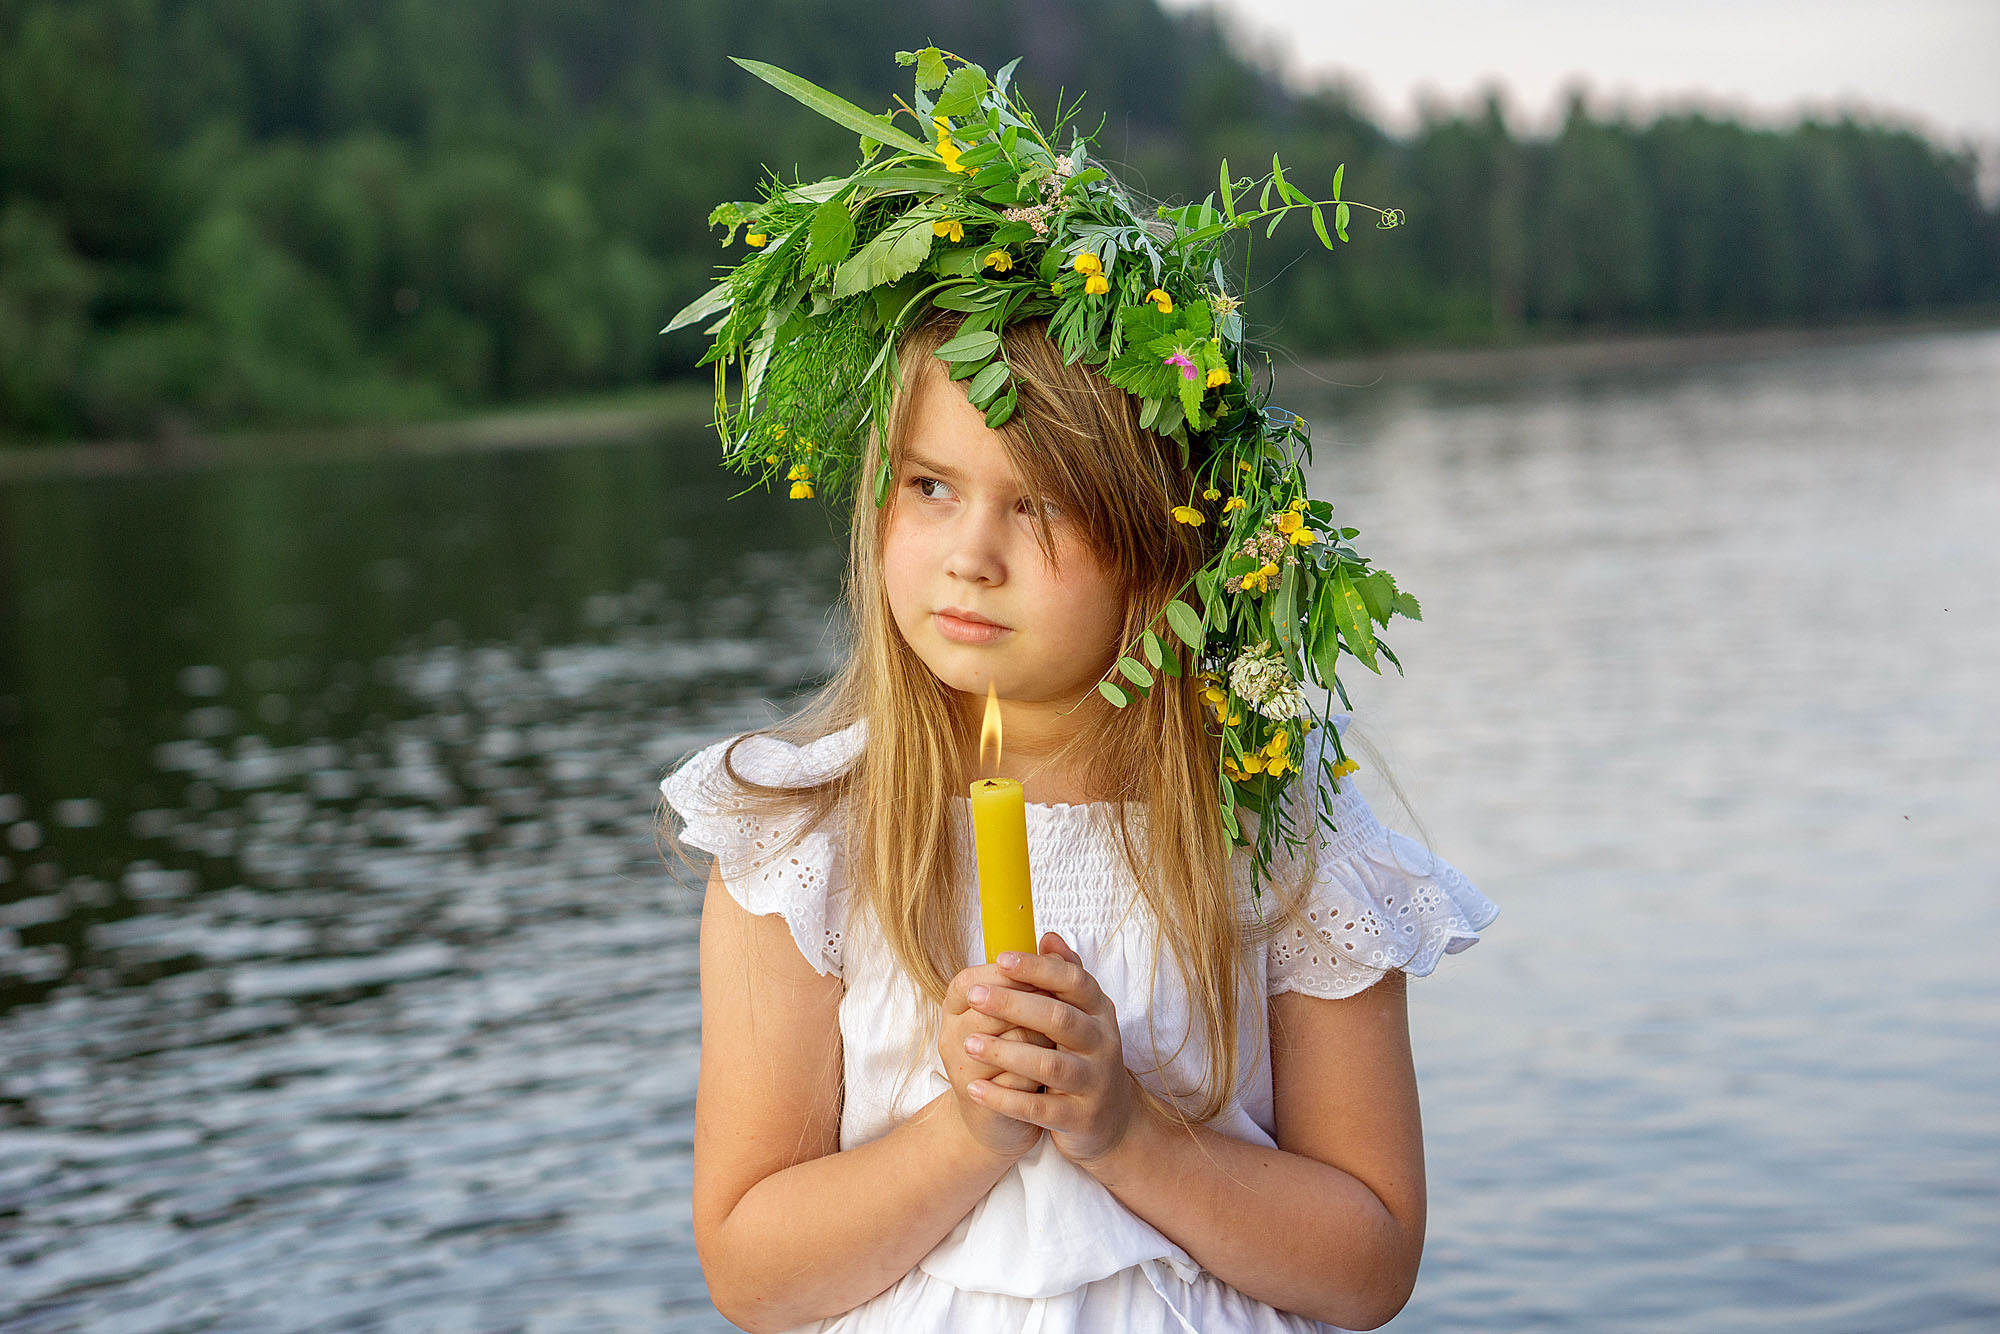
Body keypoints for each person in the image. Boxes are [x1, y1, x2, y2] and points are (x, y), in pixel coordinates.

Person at [657, 49, 1496, 1333]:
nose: (968, 553)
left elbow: (1366, 1264)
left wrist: (1122, 1126)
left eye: (1037, 504)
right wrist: (969, 1129)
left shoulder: (1274, 841)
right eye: (930, 486)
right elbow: (755, 1275)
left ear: (1161, 553)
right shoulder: (804, 836)